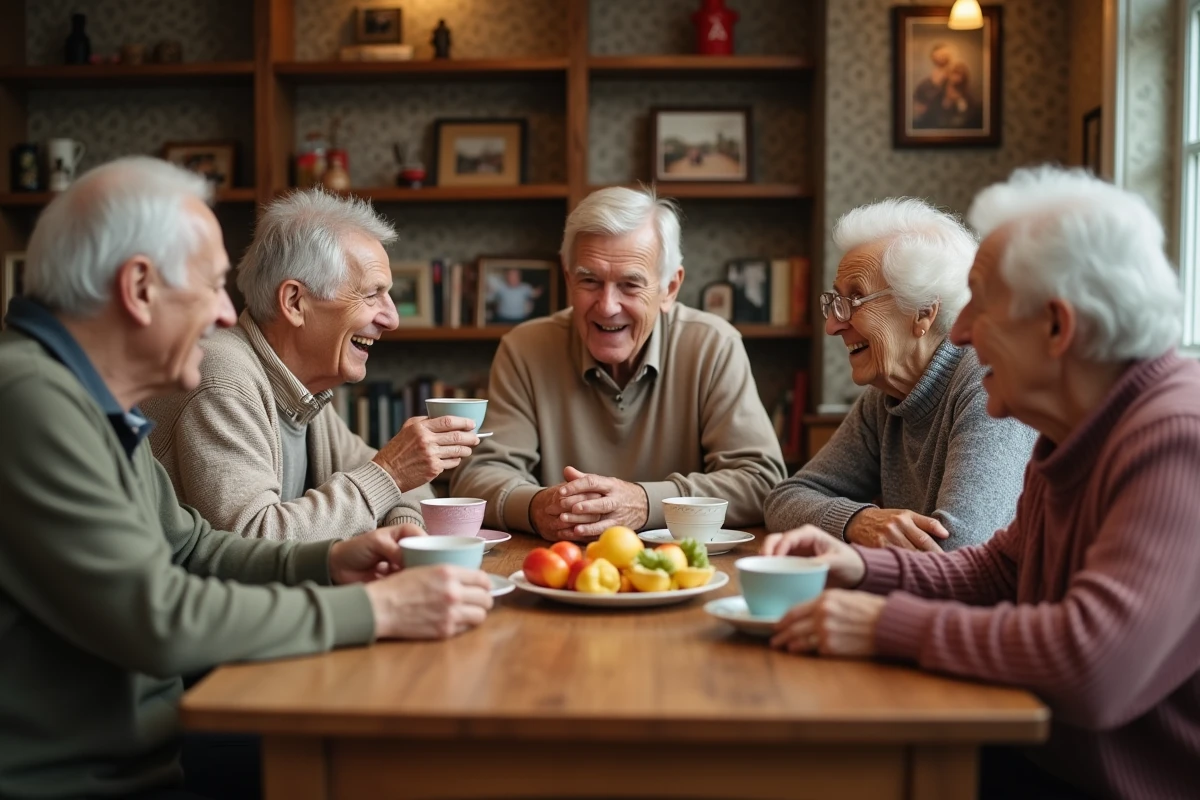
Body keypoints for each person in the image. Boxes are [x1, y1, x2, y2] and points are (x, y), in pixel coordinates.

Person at [0, 157, 493, 799]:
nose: (228, 315)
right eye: (211, 286)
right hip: (82, 782)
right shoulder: (31, 399)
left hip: (152, 750)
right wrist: (374, 608)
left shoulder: (89, 398)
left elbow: (194, 547)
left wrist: (331, 560)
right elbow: (159, 618)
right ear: (140, 287)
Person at [764, 166, 1200, 800]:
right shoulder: (1076, 426)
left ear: (1057, 326)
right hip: (1041, 756)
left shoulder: (1174, 437)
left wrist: (883, 624)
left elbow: (1093, 667)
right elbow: (997, 572)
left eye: (982, 305)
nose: (960, 333)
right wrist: (859, 568)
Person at [451, 185, 787, 540]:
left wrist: (645, 503)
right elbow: (478, 478)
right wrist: (538, 507)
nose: (607, 305)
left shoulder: (713, 345)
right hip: (557, 566)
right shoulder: (525, 348)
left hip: (686, 565)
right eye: (590, 280)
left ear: (669, 288)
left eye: (629, 285)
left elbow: (761, 480)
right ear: (568, 277)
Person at [143, 190, 481, 542]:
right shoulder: (223, 378)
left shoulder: (303, 392)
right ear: (294, 302)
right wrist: (390, 473)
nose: (392, 318)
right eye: (371, 295)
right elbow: (252, 542)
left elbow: (409, 488)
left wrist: (402, 533)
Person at [763, 199, 1036, 551]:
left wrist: (857, 559)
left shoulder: (987, 383)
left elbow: (958, 548)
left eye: (856, 299)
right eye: (834, 302)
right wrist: (857, 521)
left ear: (922, 313)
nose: (832, 325)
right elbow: (783, 500)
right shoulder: (884, 399)